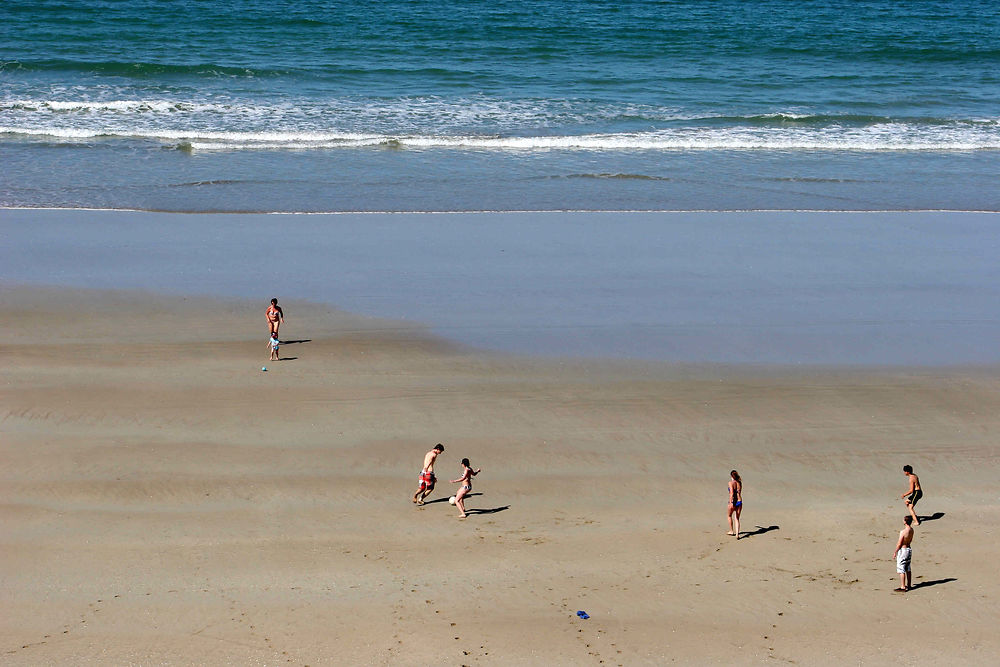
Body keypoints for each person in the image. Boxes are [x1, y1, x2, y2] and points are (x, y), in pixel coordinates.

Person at [892, 515, 915, 592]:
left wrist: (895, 551)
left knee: (901, 568)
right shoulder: (912, 530)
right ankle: (909, 585)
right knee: (908, 567)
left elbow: (899, 543)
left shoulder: (903, 532)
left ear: (905, 522)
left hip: (903, 550)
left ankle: (902, 586)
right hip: (909, 549)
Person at [727, 470, 743, 538]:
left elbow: (732, 493)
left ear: (731, 476)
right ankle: (737, 534)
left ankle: (731, 531)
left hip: (733, 502)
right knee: (737, 518)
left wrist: (730, 502)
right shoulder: (739, 483)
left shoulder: (731, 483)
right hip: (739, 502)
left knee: (729, 515)